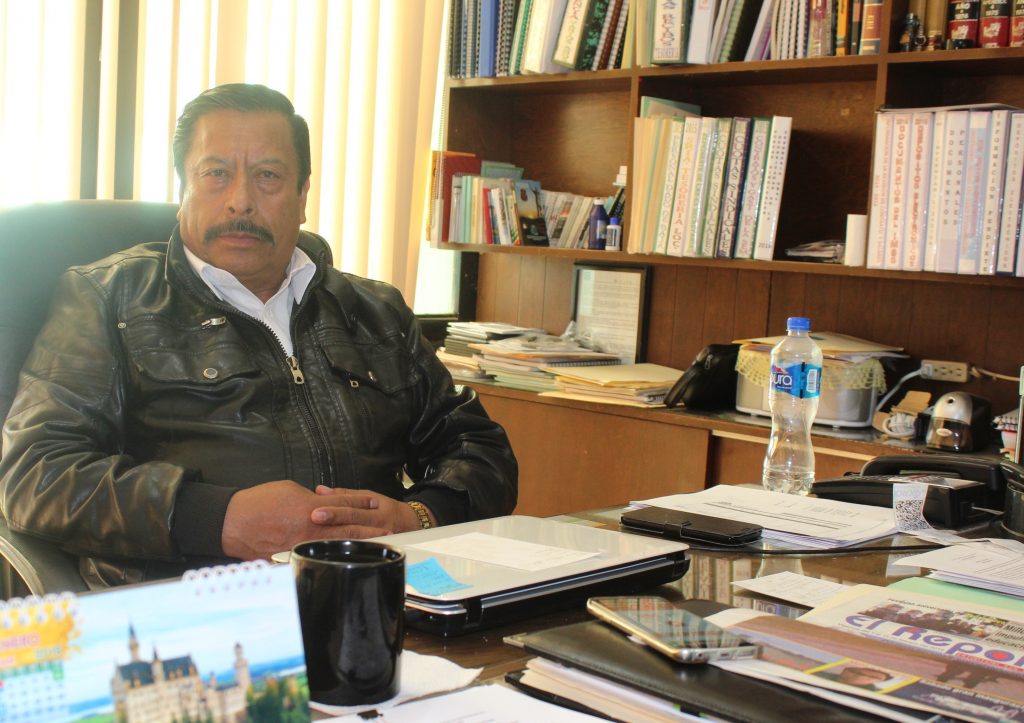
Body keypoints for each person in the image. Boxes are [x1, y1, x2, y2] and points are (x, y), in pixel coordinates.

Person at [0, 83, 518, 587]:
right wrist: (217, 518)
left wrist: (420, 517)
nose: (240, 201)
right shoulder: (107, 298)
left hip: (376, 591)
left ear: (302, 195)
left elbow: (478, 446)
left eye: (267, 176)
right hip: (193, 601)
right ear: (183, 189)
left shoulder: (374, 310)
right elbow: (36, 474)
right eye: (216, 174)